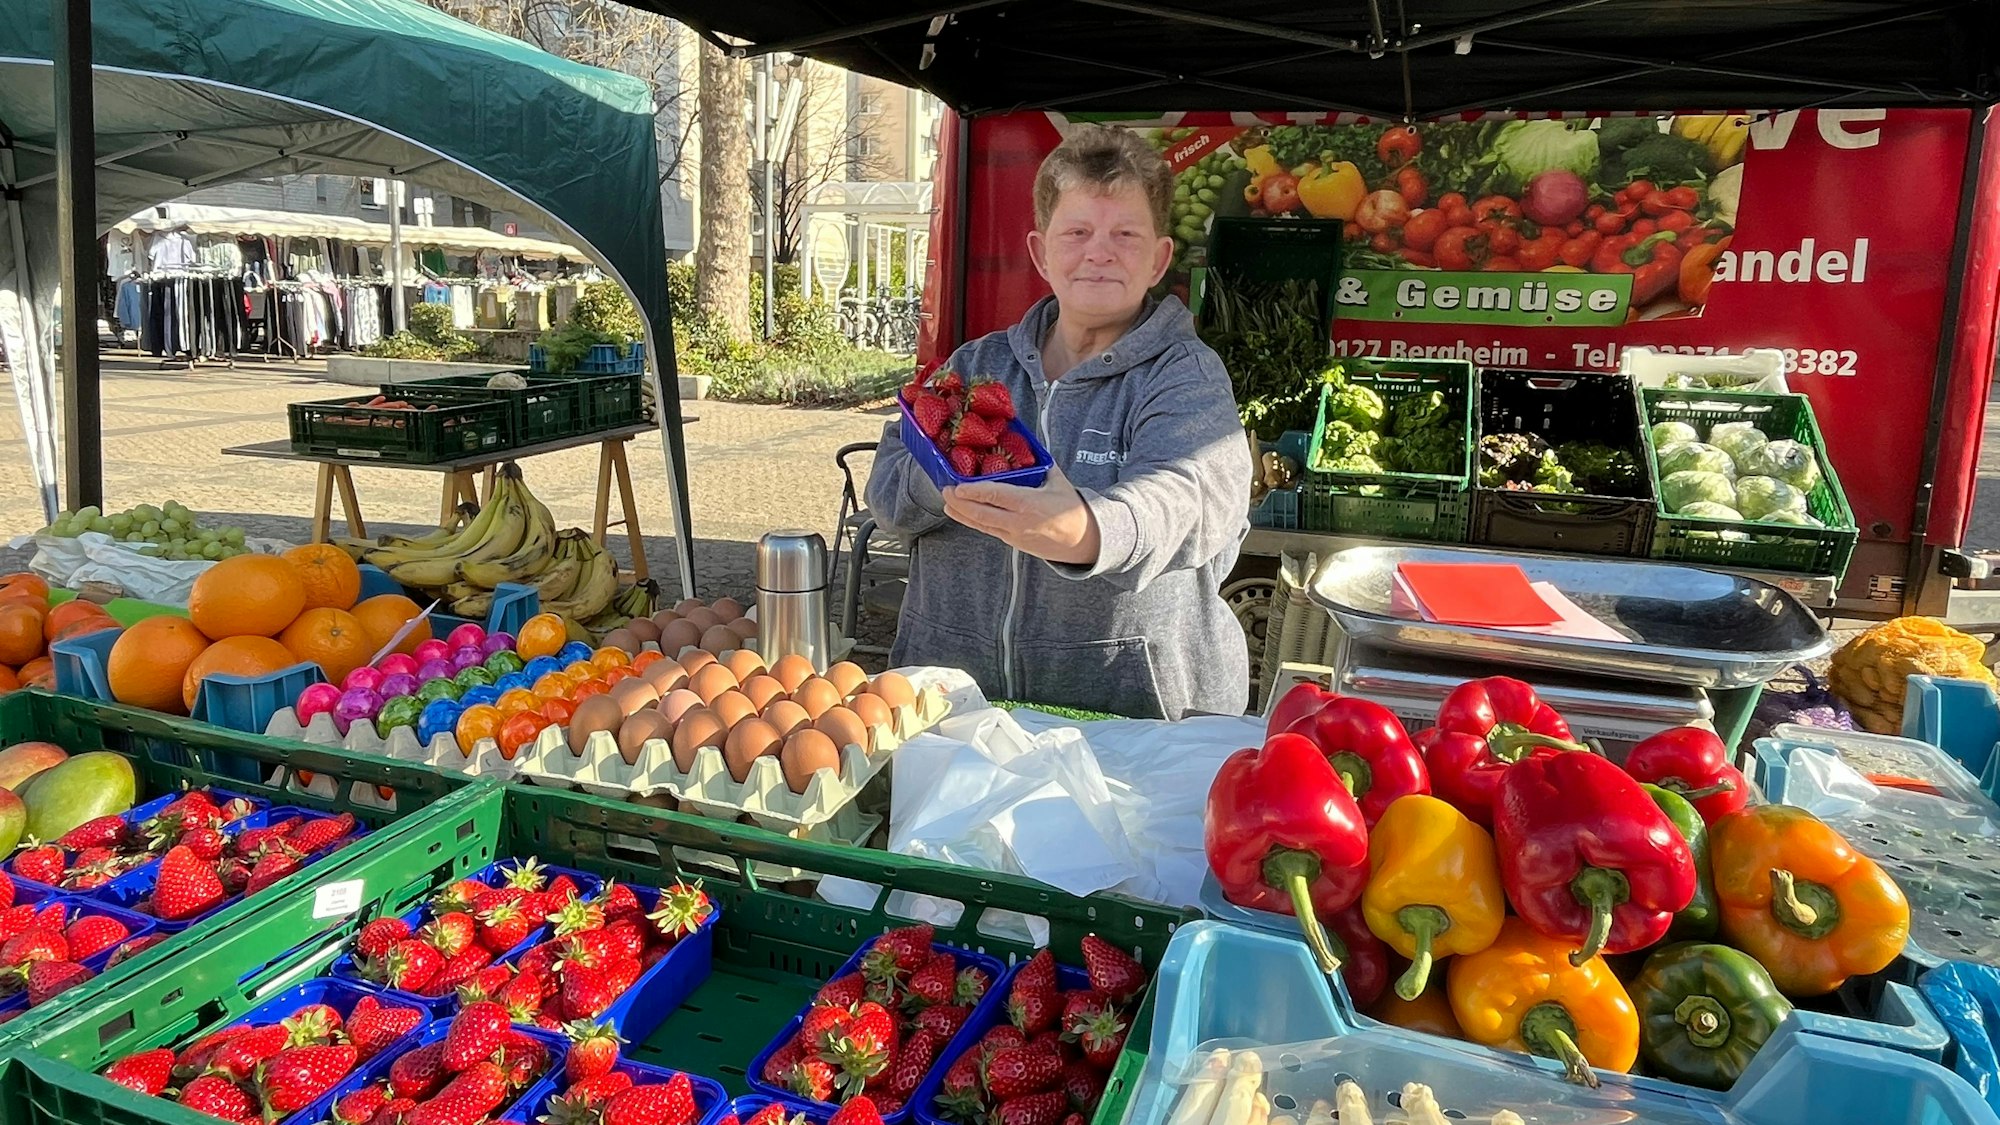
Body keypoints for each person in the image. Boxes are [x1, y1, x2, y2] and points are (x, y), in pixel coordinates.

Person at [864, 125, 1254, 720]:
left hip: (1130, 722)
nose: (1099, 251)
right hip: (960, 711)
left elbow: (1191, 498)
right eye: (1077, 232)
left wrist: (1087, 531)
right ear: (1041, 253)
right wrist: (941, 478)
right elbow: (888, 496)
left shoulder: (1185, 377)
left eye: (1125, 234)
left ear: (1159, 259)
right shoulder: (975, 366)